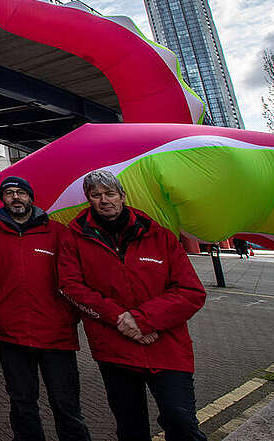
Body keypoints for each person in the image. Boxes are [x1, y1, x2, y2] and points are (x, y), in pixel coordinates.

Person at [59, 169, 207, 441]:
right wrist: (120, 318)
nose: (104, 200)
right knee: (130, 427)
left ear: (123, 196)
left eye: (110, 194)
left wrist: (143, 320)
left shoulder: (159, 236)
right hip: (115, 350)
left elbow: (191, 291)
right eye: (96, 195)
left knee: (181, 421)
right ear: (88, 200)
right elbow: (71, 286)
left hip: (166, 346)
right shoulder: (74, 238)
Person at [0, 176, 91, 441]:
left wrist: (69, 314)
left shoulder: (58, 233)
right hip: (12, 334)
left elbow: (75, 276)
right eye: (9, 193)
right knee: (22, 402)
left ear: (31, 197)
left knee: (66, 404)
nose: (15, 197)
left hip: (56, 335)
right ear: (2, 199)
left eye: (21, 192)